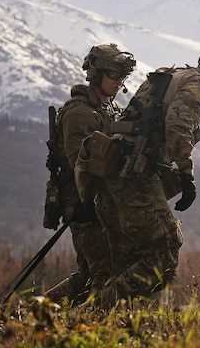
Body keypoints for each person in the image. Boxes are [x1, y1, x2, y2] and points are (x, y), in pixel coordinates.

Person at [79, 48, 200, 308]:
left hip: (113, 173)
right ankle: (98, 309)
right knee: (165, 254)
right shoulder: (197, 84)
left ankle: (94, 321)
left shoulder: (172, 76)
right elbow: (179, 127)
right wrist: (186, 173)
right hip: (136, 175)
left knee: (126, 258)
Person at [43, 43, 136, 304]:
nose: (119, 82)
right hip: (83, 204)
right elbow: (79, 165)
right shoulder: (79, 113)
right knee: (104, 275)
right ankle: (91, 329)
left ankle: (34, 315)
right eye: (114, 76)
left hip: (103, 203)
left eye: (123, 77)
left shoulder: (110, 110)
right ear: (96, 75)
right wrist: (87, 202)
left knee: (87, 276)